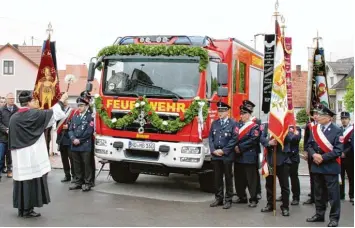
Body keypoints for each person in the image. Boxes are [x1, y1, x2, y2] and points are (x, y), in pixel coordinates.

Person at [9, 91, 68, 218]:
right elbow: (53, 114)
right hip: (31, 154)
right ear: (29, 102)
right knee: (31, 181)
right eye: (34, 100)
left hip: (19, 156)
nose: (36, 102)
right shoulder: (34, 114)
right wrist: (62, 100)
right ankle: (28, 210)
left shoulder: (14, 117)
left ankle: (21, 208)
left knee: (21, 182)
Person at [306, 106, 343, 227]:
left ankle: (334, 218)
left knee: (333, 195)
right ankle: (319, 214)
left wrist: (322, 157)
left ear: (328, 118)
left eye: (321, 115)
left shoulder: (337, 130)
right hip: (317, 166)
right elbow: (309, 145)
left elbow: (338, 151)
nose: (318, 117)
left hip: (330, 167)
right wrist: (314, 155)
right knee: (318, 193)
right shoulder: (315, 129)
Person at [209, 101, 238, 210]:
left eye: (222, 111)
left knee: (228, 177)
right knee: (217, 177)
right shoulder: (215, 123)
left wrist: (224, 151)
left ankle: (228, 199)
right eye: (219, 111)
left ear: (227, 112)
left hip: (227, 155)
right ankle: (219, 198)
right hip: (216, 155)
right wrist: (213, 150)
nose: (220, 113)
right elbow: (210, 138)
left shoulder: (233, 123)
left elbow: (234, 139)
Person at [260, 123, 292, 216]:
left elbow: (290, 138)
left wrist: (279, 137)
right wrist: (268, 142)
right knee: (269, 184)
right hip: (270, 160)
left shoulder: (285, 124)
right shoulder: (267, 125)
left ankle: (285, 207)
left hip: (283, 161)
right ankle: (270, 204)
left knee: (284, 186)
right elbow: (262, 137)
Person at [234, 105, 260, 208]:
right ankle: (242, 196)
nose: (241, 116)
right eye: (241, 113)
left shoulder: (254, 126)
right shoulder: (238, 125)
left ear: (249, 114)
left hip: (249, 156)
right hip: (238, 156)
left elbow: (253, 139)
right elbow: (234, 137)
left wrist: (240, 147)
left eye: (244, 114)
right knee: (239, 178)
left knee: (251, 179)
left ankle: (253, 199)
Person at [68, 95, 95, 192]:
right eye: (78, 105)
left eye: (82, 105)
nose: (79, 107)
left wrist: (79, 140)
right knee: (76, 164)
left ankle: (88, 182)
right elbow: (70, 129)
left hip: (84, 144)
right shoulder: (75, 116)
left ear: (87, 106)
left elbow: (89, 130)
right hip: (74, 144)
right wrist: (73, 138)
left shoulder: (90, 117)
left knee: (86, 165)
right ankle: (78, 182)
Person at [276, 125, 302, 205]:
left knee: (293, 177)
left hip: (292, 157)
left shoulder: (296, 128)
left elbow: (295, 138)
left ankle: (296, 197)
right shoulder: (281, 126)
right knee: (283, 179)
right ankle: (283, 195)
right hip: (284, 157)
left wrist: (286, 132)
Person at [242, 99, 262, 200]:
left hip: (253, 149)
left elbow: (258, 137)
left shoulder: (257, 121)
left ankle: (257, 191)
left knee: (254, 173)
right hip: (243, 152)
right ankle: (243, 193)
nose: (247, 109)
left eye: (249, 107)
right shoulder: (241, 120)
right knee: (244, 174)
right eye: (246, 107)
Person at [56, 98, 77, 182]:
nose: (64, 102)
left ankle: (74, 175)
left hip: (69, 138)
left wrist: (69, 126)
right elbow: (57, 125)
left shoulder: (72, 111)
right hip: (61, 138)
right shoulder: (58, 112)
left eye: (65, 100)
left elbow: (75, 122)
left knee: (72, 158)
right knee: (64, 158)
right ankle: (67, 175)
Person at [303, 109, 319, 205]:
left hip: (321, 155)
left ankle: (322, 199)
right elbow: (306, 139)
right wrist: (306, 151)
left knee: (322, 177)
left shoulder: (322, 125)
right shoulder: (310, 126)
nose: (316, 116)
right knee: (312, 176)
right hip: (311, 153)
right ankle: (313, 196)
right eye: (314, 114)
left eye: (317, 114)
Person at [0, 93, 18, 180]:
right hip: (2, 137)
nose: (12, 100)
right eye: (10, 98)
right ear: (6, 99)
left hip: (12, 137)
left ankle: (9, 171)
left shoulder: (16, 109)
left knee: (10, 156)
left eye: (13, 98)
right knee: (1, 155)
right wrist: (5, 129)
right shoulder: (1, 109)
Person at [339, 111, 354, 203]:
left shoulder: (353, 130)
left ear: (349, 120)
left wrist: (345, 152)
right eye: (342, 119)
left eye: (346, 119)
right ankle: (341, 194)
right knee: (340, 177)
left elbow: (352, 144)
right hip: (340, 157)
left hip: (350, 157)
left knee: (351, 177)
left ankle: (352, 195)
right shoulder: (339, 129)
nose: (344, 120)